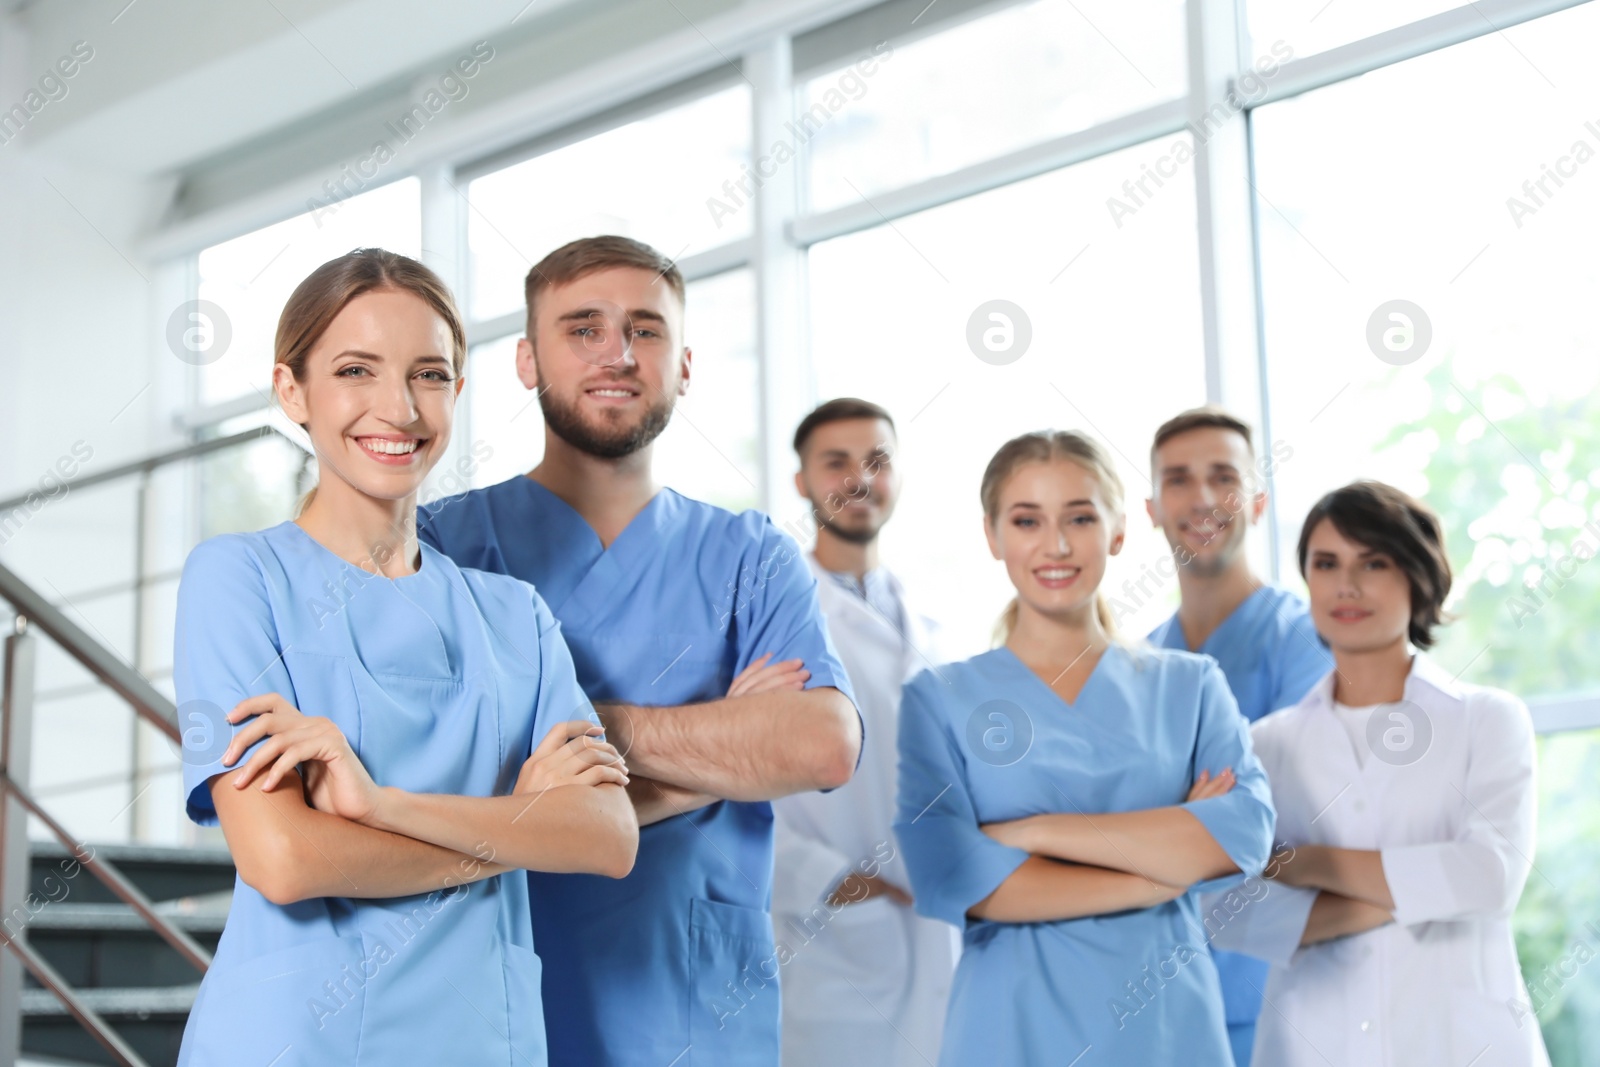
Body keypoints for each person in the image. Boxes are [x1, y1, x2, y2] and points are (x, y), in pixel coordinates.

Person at [173, 249, 638, 1066]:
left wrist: (377, 805)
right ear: (293, 391)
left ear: (456, 392)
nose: (398, 407)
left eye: (428, 374)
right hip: (295, 1036)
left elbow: (606, 835)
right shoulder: (239, 578)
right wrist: (520, 826)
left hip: (480, 1034)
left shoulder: (513, 615)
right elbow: (284, 858)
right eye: (356, 370)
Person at [417, 235, 862, 1067]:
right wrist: (726, 739)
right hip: (498, 1004)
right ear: (525, 360)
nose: (617, 354)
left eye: (646, 330)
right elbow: (441, 777)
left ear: (685, 364)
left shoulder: (749, 553)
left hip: (698, 1013)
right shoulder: (445, 545)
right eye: (582, 328)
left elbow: (820, 742)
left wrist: (571, 742)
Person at [894, 429, 1276, 1065]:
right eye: (1026, 520)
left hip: (1165, 1028)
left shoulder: (1191, 685)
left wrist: (1033, 832)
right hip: (1011, 1029)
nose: (1057, 544)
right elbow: (951, 873)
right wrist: (1162, 874)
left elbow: (1243, 835)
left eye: (1080, 517)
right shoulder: (939, 698)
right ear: (992, 536)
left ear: (1119, 531)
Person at [1206, 481, 1550, 1066]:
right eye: (1326, 563)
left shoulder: (1487, 721)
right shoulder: (1267, 744)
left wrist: (1310, 865)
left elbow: (1490, 880)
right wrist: (1420, 889)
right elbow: (1227, 913)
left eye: (1374, 562)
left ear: (1417, 575)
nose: (1347, 585)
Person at [1143, 406, 1333, 1065]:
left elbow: (1272, 820)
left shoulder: (1307, 639)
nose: (1200, 498)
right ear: (1150, 507)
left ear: (1256, 500)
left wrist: (1170, 822)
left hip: (1282, 987)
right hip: (1165, 998)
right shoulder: (1140, 664)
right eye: (1178, 479)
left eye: (1222, 476)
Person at [771, 398, 958, 1067]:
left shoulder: (934, 625)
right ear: (801, 481)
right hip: (837, 941)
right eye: (836, 462)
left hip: (938, 930)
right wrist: (830, 881)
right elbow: (731, 783)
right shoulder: (776, 615)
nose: (859, 479)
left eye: (876, 460)